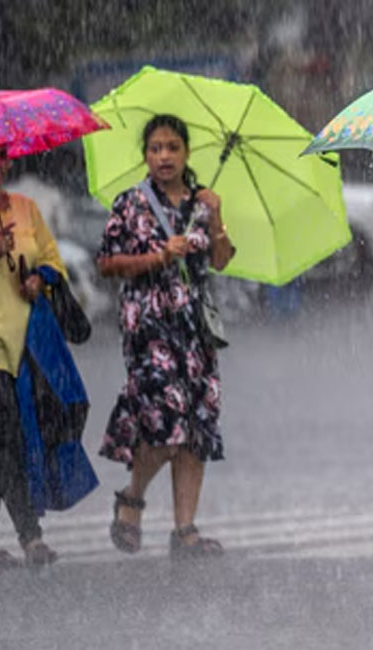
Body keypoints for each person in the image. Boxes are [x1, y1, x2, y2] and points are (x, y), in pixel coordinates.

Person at [97, 114, 235, 559]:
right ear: (145, 155)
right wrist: (158, 256)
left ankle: (186, 529)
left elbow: (221, 260)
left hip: (194, 328)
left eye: (172, 147)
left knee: (195, 425)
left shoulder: (202, 200)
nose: (164, 156)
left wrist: (216, 217)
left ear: (186, 153)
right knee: (165, 422)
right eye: (156, 148)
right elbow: (107, 263)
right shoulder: (131, 203)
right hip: (149, 325)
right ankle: (132, 498)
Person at [0, 145, 63, 568]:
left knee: (5, 436)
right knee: (3, 425)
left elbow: (52, 262)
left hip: (20, 343)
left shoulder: (25, 208)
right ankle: (14, 536)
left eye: (2, 156)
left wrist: (38, 281)